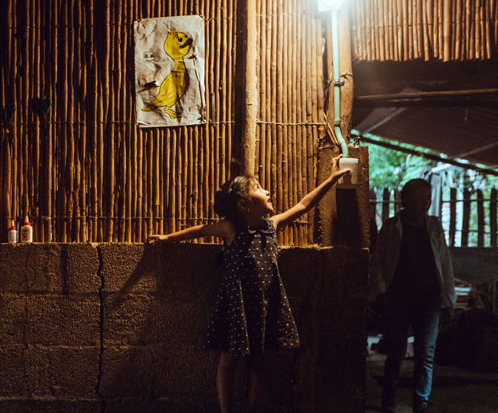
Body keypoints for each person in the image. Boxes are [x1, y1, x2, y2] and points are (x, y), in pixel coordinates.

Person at [147, 156, 350, 413]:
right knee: (228, 362)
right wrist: (167, 237)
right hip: (237, 304)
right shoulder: (230, 229)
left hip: (265, 305)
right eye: (259, 188)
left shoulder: (271, 226)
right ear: (244, 204)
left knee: (259, 362)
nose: (267, 191)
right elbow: (200, 230)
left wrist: (330, 179)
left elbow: (303, 205)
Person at [370, 178, 456, 413]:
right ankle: (389, 401)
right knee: (396, 350)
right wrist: (380, 293)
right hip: (399, 297)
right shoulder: (391, 227)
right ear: (405, 200)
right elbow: (377, 262)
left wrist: (449, 298)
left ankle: (421, 401)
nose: (426, 203)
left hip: (430, 298)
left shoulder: (434, 226)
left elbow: (445, 263)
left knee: (425, 352)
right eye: (420, 198)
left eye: (428, 198)